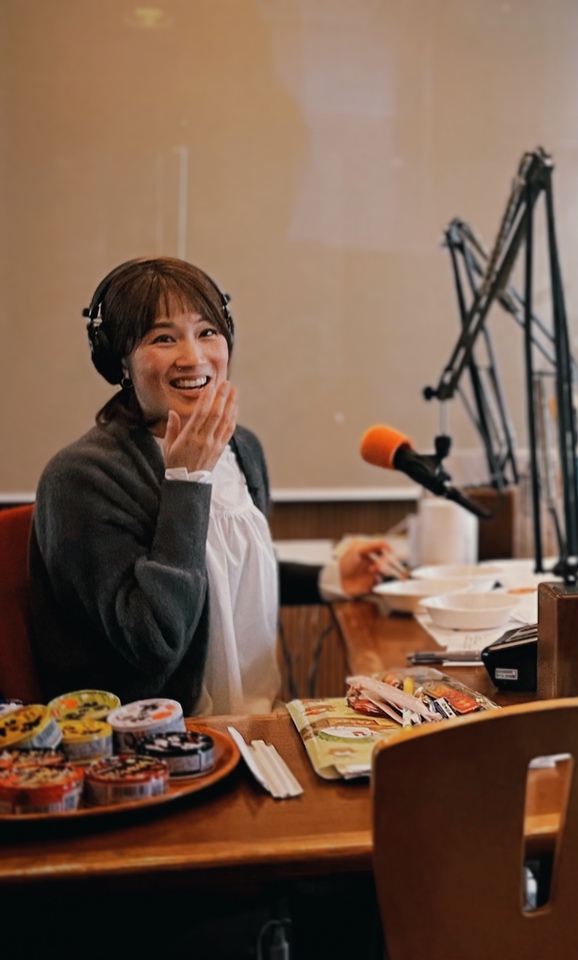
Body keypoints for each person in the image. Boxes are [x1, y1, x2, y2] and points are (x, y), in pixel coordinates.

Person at [30, 256, 388, 716]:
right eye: (163, 338)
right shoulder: (79, 478)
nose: (194, 357)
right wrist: (187, 481)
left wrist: (329, 578)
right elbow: (154, 640)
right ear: (121, 361)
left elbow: (223, 574)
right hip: (153, 739)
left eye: (207, 332)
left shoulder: (241, 448)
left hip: (255, 719)